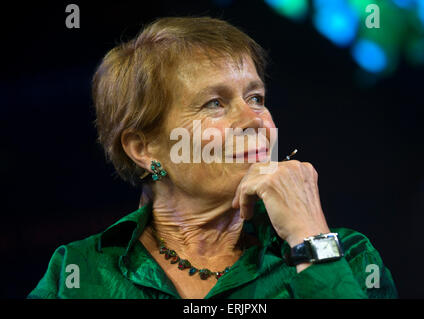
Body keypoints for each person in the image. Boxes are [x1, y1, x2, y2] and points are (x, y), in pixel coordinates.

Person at [28, 16, 398, 299]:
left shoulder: (348, 256)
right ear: (144, 150)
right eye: (215, 103)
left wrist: (311, 240)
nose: (256, 119)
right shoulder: (78, 271)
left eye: (256, 97)